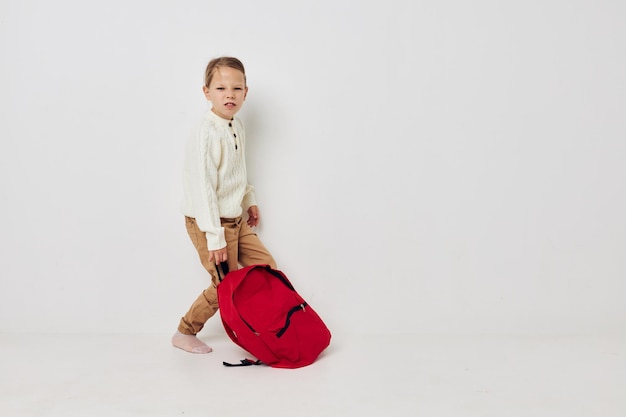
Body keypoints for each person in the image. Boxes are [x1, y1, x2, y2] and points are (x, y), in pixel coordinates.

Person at [172, 57, 276, 354]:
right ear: (207, 92)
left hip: (235, 219)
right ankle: (185, 331)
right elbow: (202, 189)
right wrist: (215, 237)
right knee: (225, 286)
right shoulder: (205, 131)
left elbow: (238, 170)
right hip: (208, 222)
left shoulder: (236, 125)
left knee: (266, 268)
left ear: (246, 93)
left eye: (236, 88)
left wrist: (249, 199)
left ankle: (263, 325)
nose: (229, 94)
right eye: (221, 88)